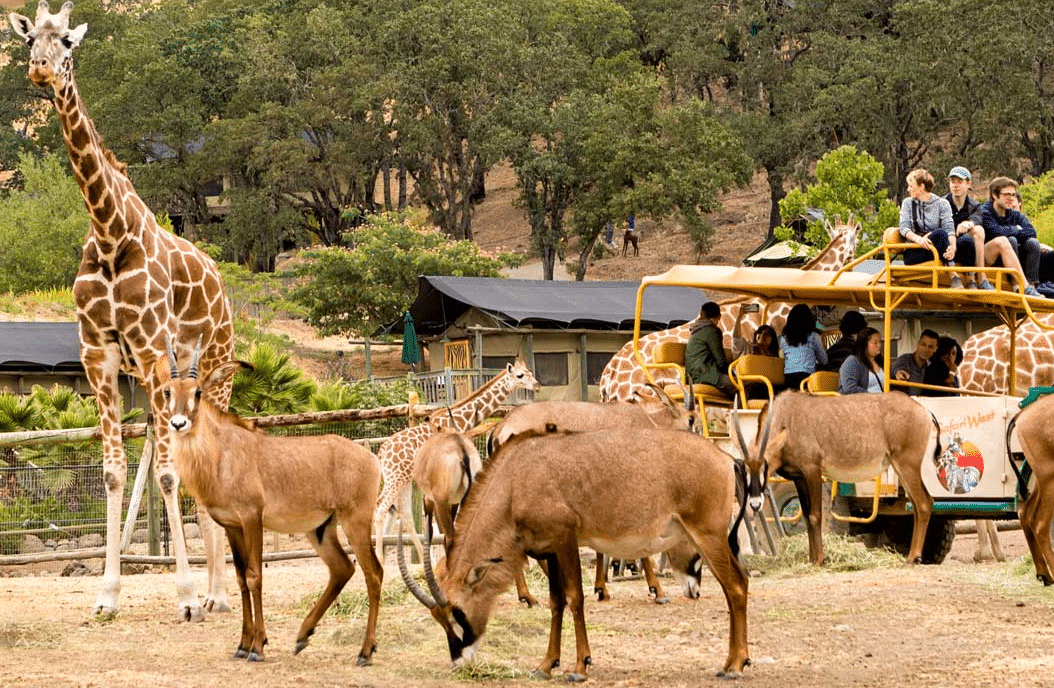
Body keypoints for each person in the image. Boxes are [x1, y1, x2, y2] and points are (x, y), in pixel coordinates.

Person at [980, 176, 1043, 297]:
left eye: (1013, 195)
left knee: (1033, 243)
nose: (1011, 198)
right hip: (990, 258)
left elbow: (1031, 231)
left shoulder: (1013, 213)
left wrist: (1011, 231)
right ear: (994, 195)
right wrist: (1016, 229)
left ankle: (1031, 285)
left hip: (1011, 256)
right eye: (1007, 194)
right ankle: (1016, 285)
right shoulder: (985, 212)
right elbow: (995, 232)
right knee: (1011, 240)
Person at [898, 169, 960, 286]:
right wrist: (919, 239)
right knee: (940, 234)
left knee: (956, 238)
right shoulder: (907, 203)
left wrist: (952, 246)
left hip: (935, 247)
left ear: (921, 187)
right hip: (915, 250)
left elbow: (949, 229)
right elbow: (904, 228)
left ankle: (971, 278)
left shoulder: (942, 204)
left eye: (911, 186)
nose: (908, 189)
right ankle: (953, 274)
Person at [943, 166, 994, 290]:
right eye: (953, 182)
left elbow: (978, 219)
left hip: (965, 247)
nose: (956, 185)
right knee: (942, 234)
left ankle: (980, 278)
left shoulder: (974, 206)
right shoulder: (941, 203)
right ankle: (954, 277)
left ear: (968, 184)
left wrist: (969, 223)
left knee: (977, 231)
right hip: (947, 247)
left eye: (959, 182)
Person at [684, 301, 736, 395]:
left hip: (693, 375)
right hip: (706, 375)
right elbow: (721, 361)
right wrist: (733, 374)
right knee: (742, 384)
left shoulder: (696, 329)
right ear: (719, 317)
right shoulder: (712, 331)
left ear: (701, 314)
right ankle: (739, 409)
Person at [779, 303, 827, 390]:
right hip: (807, 377)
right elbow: (824, 361)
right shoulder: (814, 336)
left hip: (788, 377)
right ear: (809, 319)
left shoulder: (783, 338)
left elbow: (784, 358)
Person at [891, 329, 940, 395]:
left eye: (930, 347)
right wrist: (900, 374)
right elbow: (899, 371)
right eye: (923, 344)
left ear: (935, 349)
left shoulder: (926, 367)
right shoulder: (905, 360)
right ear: (918, 344)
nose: (926, 349)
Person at [838, 327, 884, 394]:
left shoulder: (880, 361)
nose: (879, 345)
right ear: (864, 344)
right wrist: (872, 397)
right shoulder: (853, 361)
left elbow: (892, 372)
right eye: (875, 342)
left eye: (880, 342)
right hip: (861, 402)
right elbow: (849, 388)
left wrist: (898, 372)